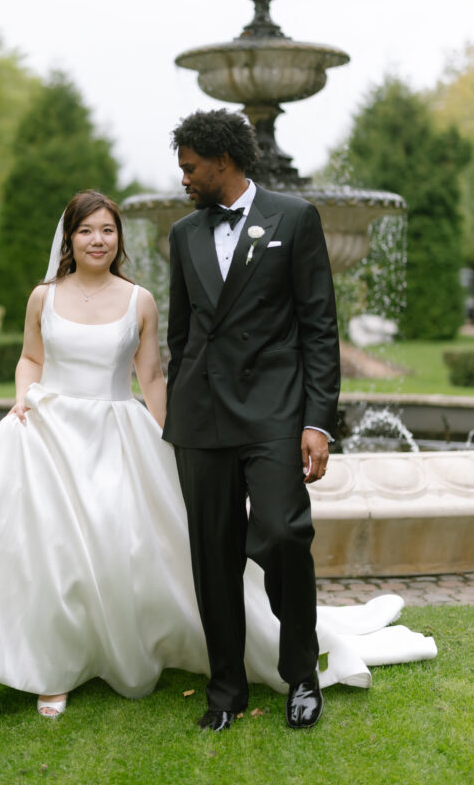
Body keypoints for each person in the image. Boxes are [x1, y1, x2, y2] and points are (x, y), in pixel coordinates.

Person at [0, 188, 436, 719]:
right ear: (69, 239)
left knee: (118, 551)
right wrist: (22, 399)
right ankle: (53, 667)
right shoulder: (41, 297)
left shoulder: (138, 299)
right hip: (49, 435)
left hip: (113, 431)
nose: (98, 240)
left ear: (119, 238)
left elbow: (152, 376)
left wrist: (176, 439)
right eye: (86, 231)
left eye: (107, 230)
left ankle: (159, 648)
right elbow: (30, 357)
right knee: (54, 553)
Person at [164, 108, 341, 731]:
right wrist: (173, 412)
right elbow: (181, 334)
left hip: (273, 412)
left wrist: (317, 422)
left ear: (222, 161)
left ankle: (301, 673)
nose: (183, 177)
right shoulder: (183, 233)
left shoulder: (294, 219)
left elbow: (319, 327)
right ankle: (225, 689)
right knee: (211, 555)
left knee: (286, 533)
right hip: (201, 419)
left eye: (190, 167)